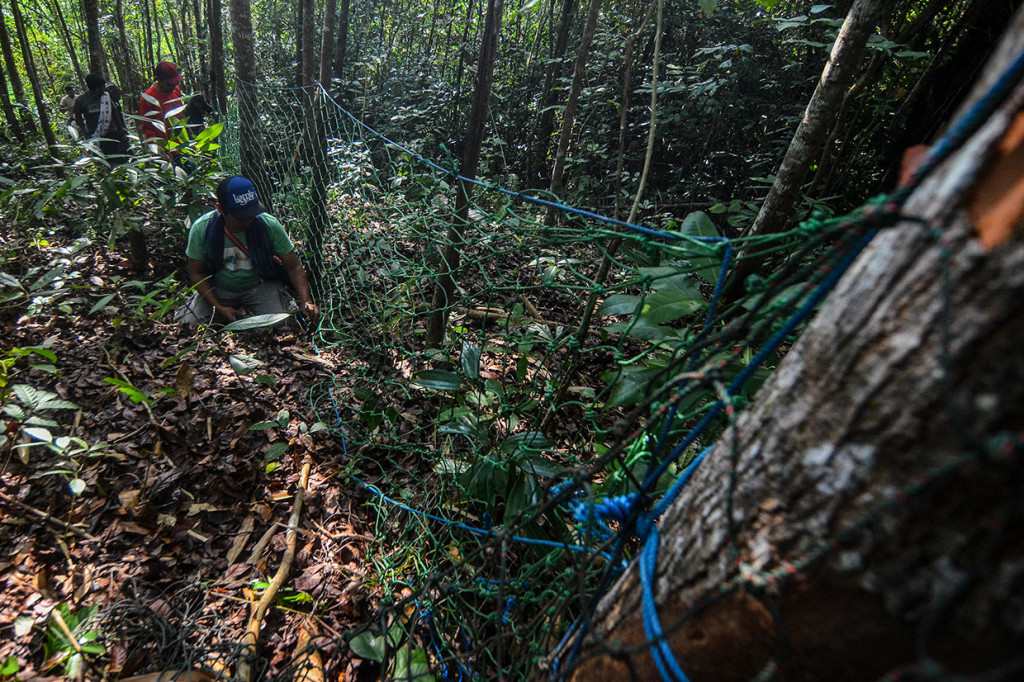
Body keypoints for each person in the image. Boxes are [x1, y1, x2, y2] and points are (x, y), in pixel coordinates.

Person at [177, 176, 320, 326]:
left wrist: (306, 301)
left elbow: (294, 266)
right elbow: (196, 273)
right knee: (189, 323)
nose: (248, 220)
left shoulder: (268, 225)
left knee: (281, 323)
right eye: (240, 216)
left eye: (251, 213)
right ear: (220, 209)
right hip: (220, 286)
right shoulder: (203, 228)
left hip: (259, 285)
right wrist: (218, 307)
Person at [73, 73, 128, 163]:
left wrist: (120, 128)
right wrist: (85, 133)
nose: (104, 89)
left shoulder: (106, 96)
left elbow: (115, 112)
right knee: (103, 160)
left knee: (119, 157)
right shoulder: (81, 100)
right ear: (95, 89)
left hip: (112, 132)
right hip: (96, 134)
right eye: (101, 88)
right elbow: (78, 117)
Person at [138, 61, 184, 148]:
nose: (173, 86)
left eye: (175, 83)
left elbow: (181, 117)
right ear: (159, 80)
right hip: (165, 148)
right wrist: (158, 150)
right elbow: (148, 129)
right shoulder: (148, 99)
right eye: (169, 84)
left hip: (182, 144)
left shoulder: (176, 90)